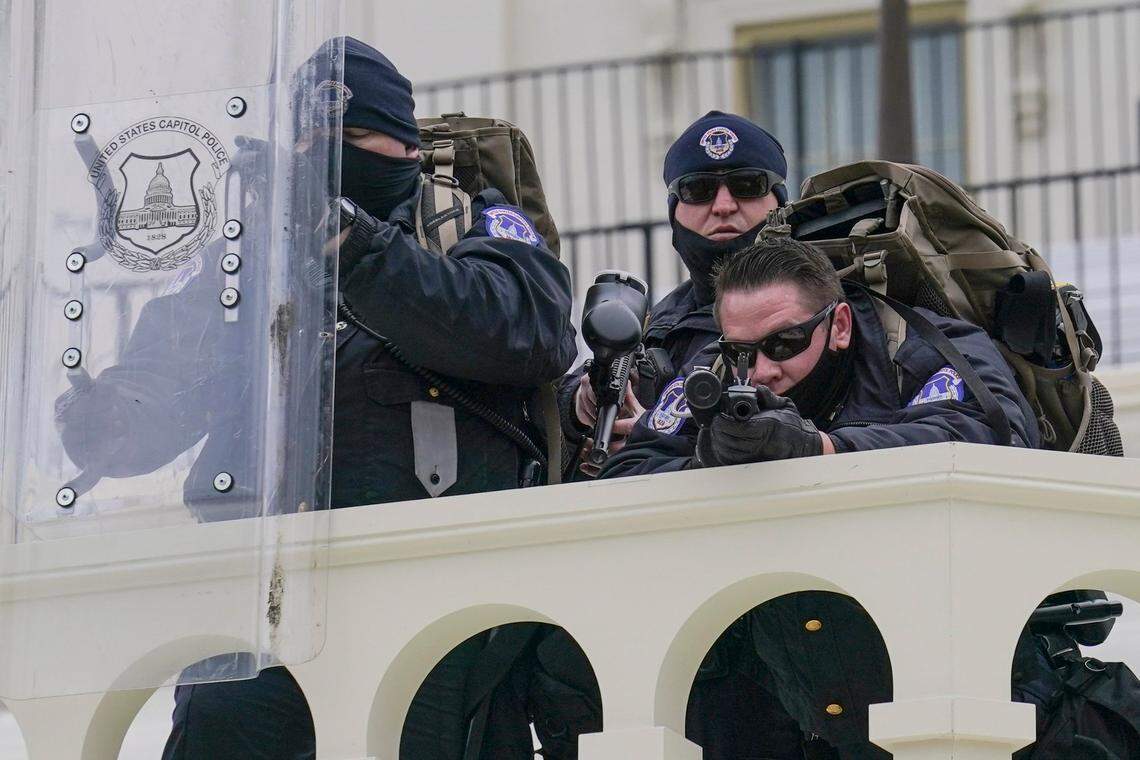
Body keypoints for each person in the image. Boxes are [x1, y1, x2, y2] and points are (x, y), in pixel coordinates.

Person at [54, 37, 579, 760]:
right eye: (305, 138)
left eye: (348, 137)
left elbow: (529, 328)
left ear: (401, 144)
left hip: (426, 591)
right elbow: (165, 380)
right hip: (261, 600)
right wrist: (103, 419)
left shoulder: (467, 222)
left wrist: (354, 246)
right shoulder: (249, 250)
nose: (320, 155)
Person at [600, 236, 1040, 758]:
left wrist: (825, 449)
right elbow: (624, 478)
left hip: (932, 659)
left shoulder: (921, 346)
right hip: (780, 679)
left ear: (840, 325)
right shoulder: (714, 370)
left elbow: (989, 434)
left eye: (784, 343)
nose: (761, 370)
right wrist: (705, 463)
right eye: (740, 350)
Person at [559, 111, 789, 472]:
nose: (724, 205)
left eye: (747, 186)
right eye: (698, 190)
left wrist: (660, 437)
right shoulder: (660, 321)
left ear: (780, 205)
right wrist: (583, 403)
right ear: (674, 212)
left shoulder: (825, 304)